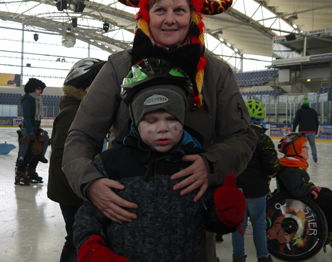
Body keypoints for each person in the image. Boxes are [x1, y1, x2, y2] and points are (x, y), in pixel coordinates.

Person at [62, 0, 257, 261]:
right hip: (125, 220)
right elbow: (81, 137)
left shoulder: (216, 73)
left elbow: (242, 137)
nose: (170, 19)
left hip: (190, 220)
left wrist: (211, 163)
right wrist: (90, 182)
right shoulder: (118, 67)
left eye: (179, 10)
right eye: (160, 10)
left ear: (192, 16)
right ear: (145, 15)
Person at [73, 61, 246, 262]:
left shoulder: (195, 164)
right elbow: (88, 217)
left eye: (172, 119)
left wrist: (226, 214)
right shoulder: (111, 164)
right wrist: (92, 249)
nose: (162, 128)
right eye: (151, 121)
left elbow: (209, 221)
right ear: (136, 123)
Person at [47, 58, 106, 262]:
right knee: (75, 239)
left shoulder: (85, 110)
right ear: (86, 86)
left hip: (77, 186)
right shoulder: (74, 112)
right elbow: (62, 155)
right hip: (73, 190)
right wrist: (78, 189)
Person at [231, 99, 279, 262]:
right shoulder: (264, 140)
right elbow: (272, 166)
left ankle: (238, 257)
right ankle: (263, 257)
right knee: (259, 225)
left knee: (239, 226)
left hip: (237, 189)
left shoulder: (235, 136)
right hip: (257, 190)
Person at [277, 133, 332, 240]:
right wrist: (309, 189)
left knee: (327, 191)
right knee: (330, 200)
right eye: (304, 147)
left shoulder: (293, 165)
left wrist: (310, 186)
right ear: (295, 150)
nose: (307, 149)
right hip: (296, 202)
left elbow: (298, 183)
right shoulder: (290, 169)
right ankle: (329, 231)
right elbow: (296, 191)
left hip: (299, 198)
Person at [15, 78, 49, 186]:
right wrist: (30, 132)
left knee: (39, 147)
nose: (41, 91)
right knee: (27, 148)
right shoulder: (28, 99)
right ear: (33, 88)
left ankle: (32, 167)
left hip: (35, 128)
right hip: (28, 128)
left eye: (41, 89)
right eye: (39, 89)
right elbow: (26, 117)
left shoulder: (37, 100)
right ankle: (20, 171)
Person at [292, 98, 319, 163]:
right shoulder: (313, 111)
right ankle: (315, 158)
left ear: (302, 104)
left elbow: (295, 121)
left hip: (302, 131)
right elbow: (317, 122)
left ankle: (302, 158)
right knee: (313, 145)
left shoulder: (299, 111)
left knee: (302, 146)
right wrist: (316, 131)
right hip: (312, 131)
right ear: (308, 104)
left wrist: (293, 130)